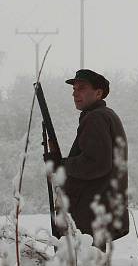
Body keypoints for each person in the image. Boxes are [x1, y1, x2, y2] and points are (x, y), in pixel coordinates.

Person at [44, 69, 129, 249]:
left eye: (81, 88)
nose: (75, 93)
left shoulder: (96, 118)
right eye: (74, 89)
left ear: (98, 93)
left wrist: (63, 165)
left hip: (89, 215)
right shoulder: (104, 116)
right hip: (98, 212)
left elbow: (95, 163)